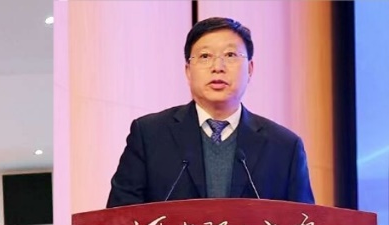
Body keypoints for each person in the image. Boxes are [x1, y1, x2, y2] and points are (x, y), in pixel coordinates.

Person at [106, 17, 313, 208]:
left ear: (250, 69)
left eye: (230, 55)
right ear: (188, 70)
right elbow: (118, 220)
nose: (217, 67)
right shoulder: (149, 135)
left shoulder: (285, 147)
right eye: (205, 56)